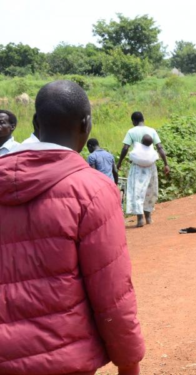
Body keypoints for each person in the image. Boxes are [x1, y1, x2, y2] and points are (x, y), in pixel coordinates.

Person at [0, 80, 144, 374]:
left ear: (36, 123)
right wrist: (129, 361)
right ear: (86, 124)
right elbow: (112, 292)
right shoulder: (92, 190)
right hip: (61, 359)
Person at [117, 111, 170, 227]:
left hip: (137, 167)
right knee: (149, 191)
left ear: (133, 121)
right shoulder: (152, 131)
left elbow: (125, 148)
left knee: (137, 191)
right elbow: (159, 147)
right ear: (143, 119)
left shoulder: (131, 132)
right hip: (151, 166)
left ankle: (140, 219)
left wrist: (119, 163)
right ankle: (148, 217)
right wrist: (166, 164)